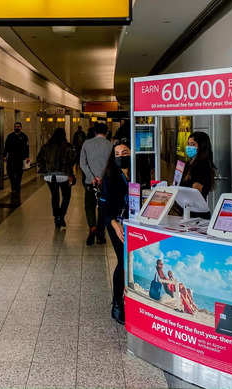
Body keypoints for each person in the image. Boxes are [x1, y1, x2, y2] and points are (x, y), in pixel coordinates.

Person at [100, 138, 131, 324]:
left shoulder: (138, 171)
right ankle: (117, 305)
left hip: (134, 222)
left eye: (124, 153)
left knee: (130, 260)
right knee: (122, 260)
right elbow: (104, 207)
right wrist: (115, 224)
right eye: (117, 154)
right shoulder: (110, 175)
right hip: (115, 223)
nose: (121, 157)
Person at [79, 122, 112, 246]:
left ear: (94, 132)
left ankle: (92, 227)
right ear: (106, 132)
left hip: (90, 182)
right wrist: (102, 177)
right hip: (105, 182)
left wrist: (92, 177)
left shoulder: (86, 144)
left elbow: (82, 163)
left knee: (89, 205)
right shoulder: (110, 145)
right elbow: (111, 165)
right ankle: (101, 233)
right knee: (103, 207)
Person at [37, 128, 76, 228]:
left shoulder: (46, 146)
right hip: (64, 175)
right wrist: (71, 174)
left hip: (50, 176)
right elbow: (72, 160)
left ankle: (56, 217)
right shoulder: (68, 146)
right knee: (66, 196)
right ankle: (61, 216)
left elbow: (39, 159)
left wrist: (45, 169)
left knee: (55, 196)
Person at [180, 131, 216, 201]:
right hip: (185, 206)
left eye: (193, 144)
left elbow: (195, 192)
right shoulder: (188, 163)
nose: (189, 147)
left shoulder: (202, 165)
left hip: (195, 208)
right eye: (188, 144)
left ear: (202, 146)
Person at [3, 122, 30, 205]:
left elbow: (27, 147)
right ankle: (13, 186)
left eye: (18, 126)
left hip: (20, 158)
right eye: (15, 126)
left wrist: (27, 157)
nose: (17, 128)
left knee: (19, 174)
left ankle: (17, 188)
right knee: (10, 173)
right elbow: (6, 147)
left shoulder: (24, 136)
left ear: (21, 128)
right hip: (11, 157)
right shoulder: (10, 136)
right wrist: (4, 155)